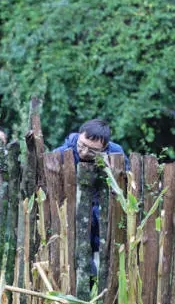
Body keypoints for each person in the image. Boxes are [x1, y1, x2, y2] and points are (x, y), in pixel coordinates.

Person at [53, 118, 128, 278]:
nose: (84, 152)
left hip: (104, 214)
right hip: (72, 214)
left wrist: (112, 170)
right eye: (82, 145)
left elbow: (127, 184)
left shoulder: (116, 153)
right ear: (79, 136)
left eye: (92, 150)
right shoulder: (61, 153)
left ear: (104, 147)